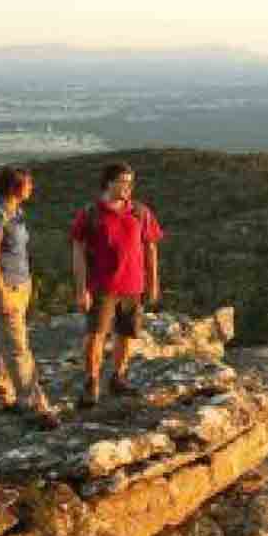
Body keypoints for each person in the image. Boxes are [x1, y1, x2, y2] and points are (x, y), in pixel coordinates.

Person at [70, 161, 164, 408]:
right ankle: (91, 383)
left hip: (133, 285)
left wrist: (153, 282)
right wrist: (81, 289)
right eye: (122, 181)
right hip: (101, 286)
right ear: (108, 183)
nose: (127, 187)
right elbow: (77, 250)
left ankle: (118, 378)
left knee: (126, 334)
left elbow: (150, 247)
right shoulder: (91, 213)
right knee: (95, 335)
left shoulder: (140, 212)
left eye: (130, 182)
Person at [0, 165, 60, 428]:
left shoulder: (17, 213)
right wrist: (3, 294)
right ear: (16, 187)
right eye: (29, 184)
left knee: (1, 341)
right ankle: (34, 405)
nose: (32, 188)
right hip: (2, 289)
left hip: (20, 285)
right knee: (18, 348)